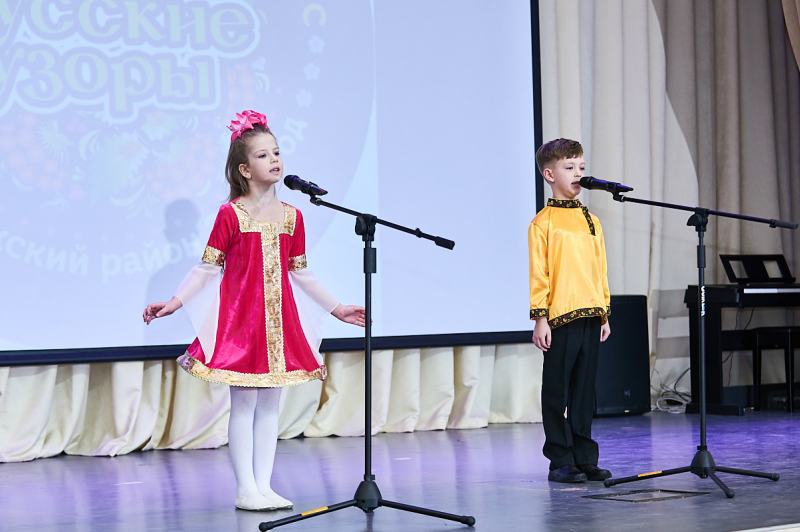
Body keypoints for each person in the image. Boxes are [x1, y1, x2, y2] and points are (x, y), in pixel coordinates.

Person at [143, 110, 366, 510]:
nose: (274, 160)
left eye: (276, 152)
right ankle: (245, 488)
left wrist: (337, 309)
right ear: (244, 169)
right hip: (242, 324)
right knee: (244, 405)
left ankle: (264, 485)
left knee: (270, 406)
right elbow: (207, 267)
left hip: (278, 324)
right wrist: (174, 303)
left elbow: (301, 273)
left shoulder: (293, 216)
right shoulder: (231, 214)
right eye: (263, 155)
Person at [528, 138, 612, 483]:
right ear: (550, 174)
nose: (578, 173)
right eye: (569, 167)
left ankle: (584, 457)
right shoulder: (543, 223)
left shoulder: (591, 220)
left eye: (581, 167)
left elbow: (599, 269)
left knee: (583, 392)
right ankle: (559, 458)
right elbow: (540, 274)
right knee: (556, 391)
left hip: (591, 314)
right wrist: (540, 318)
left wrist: (604, 313)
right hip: (560, 317)